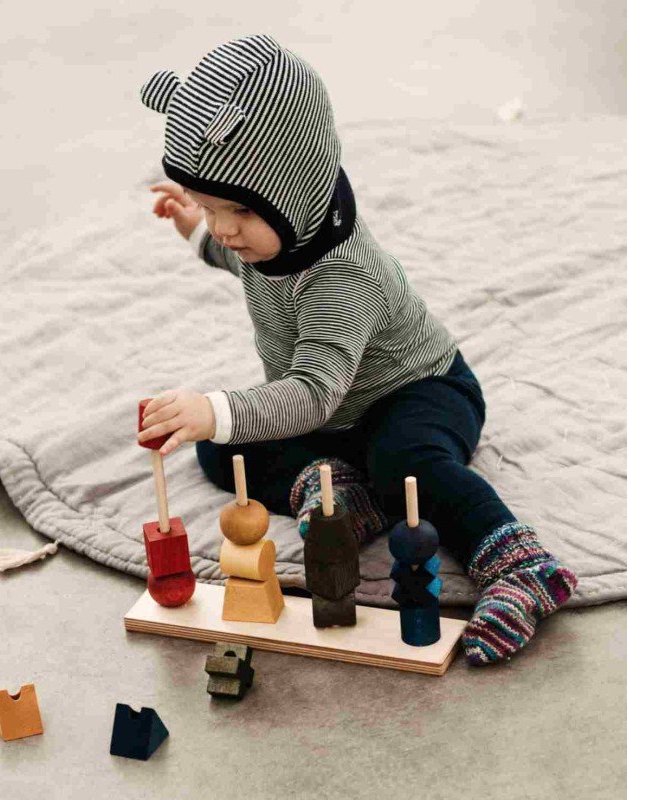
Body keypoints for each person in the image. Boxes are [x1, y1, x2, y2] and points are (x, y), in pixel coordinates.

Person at [137, 34, 577, 665]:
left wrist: (215, 405)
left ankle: (520, 564)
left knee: (406, 461)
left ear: (293, 188)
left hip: (419, 390)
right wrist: (192, 228)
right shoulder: (272, 238)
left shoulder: (344, 272)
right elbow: (238, 259)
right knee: (221, 445)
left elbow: (313, 394)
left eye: (236, 210)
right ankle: (345, 492)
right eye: (211, 207)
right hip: (334, 410)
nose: (225, 228)